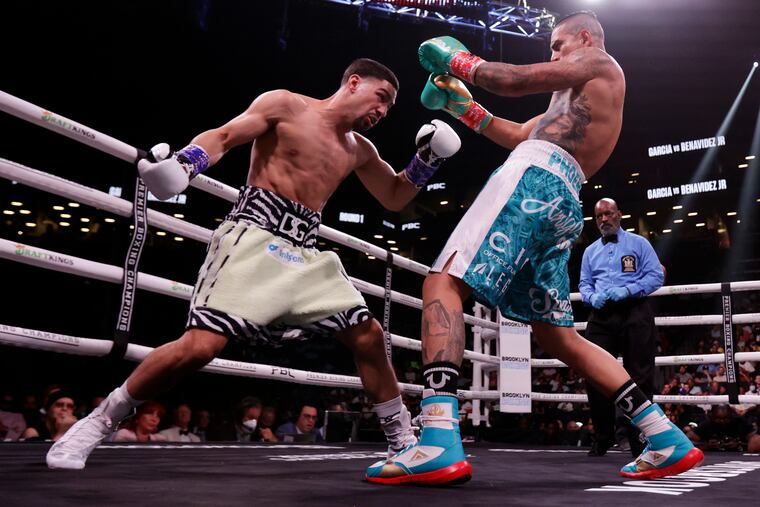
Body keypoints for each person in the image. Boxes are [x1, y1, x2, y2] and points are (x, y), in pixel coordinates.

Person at [46, 58, 462, 470]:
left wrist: (426, 161)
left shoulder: (359, 150)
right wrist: (186, 163)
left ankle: (402, 440)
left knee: (369, 335)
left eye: (390, 107)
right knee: (200, 347)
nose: (383, 111)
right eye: (381, 97)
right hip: (254, 235)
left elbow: (393, 196)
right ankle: (98, 422)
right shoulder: (286, 105)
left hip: (306, 253)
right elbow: (226, 136)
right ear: (353, 83)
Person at [366, 11, 702, 485]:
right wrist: (462, 108)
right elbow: (519, 132)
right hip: (560, 199)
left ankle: (438, 438)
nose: (552, 54)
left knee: (443, 282)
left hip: (533, 178)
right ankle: (665, 437)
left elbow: (515, 80)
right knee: (556, 335)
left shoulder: (600, 62)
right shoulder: (573, 103)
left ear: (583, 37)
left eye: (556, 45)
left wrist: (462, 61)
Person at [579, 197, 664, 458]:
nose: (604, 219)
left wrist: (628, 289)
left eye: (608, 214)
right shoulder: (590, 251)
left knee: (640, 375)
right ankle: (602, 437)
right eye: (599, 216)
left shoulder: (639, 243)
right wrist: (591, 297)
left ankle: (638, 440)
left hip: (635, 311)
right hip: (602, 316)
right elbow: (584, 284)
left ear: (619, 214)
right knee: (595, 375)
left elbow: (656, 276)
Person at [684, 405, 760, 453]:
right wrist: (706, 445)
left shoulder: (739, 423)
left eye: (726, 419)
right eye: (719, 419)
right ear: (713, 417)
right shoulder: (707, 424)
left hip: (739, 458)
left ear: (731, 416)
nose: (722, 422)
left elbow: (755, 440)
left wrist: (739, 444)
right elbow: (686, 440)